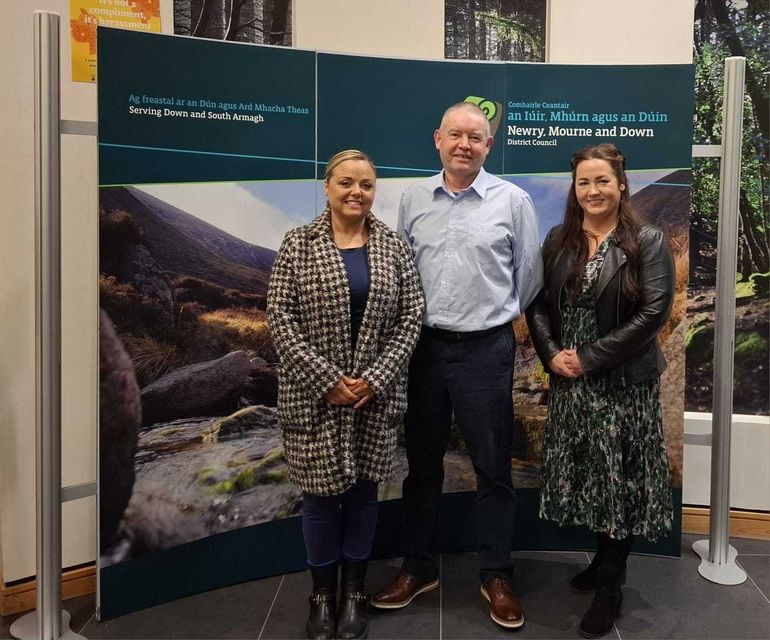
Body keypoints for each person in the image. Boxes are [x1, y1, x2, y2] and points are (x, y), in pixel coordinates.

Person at [371, 102, 543, 630]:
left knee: (492, 468)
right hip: (422, 349)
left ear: (488, 146)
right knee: (421, 466)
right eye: (455, 135)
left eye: (476, 137)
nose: (465, 144)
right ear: (437, 140)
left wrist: (492, 318)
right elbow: (400, 267)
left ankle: (495, 574)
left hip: (485, 350)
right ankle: (418, 567)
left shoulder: (512, 201)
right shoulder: (413, 198)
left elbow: (530, 276)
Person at [267, 149, 424, 640]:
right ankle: (321, 595)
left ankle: (354, 590)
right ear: (327, 187)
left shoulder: (393, 246)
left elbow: (411, 316)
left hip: (374, 399)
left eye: (367, 184)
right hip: (312, 400)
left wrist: (374, 379)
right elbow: (280, 318)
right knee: (318, 499)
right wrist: (327, 381)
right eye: (347, 183)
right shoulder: (298, 243)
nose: (357, 192)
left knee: (363, 497)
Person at [525, 143, 675, 639]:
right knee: (592, 475)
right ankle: (601, 563)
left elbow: (652, 313)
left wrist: (587, 357)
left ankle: (611, 584)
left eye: (602, 181)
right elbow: (539, 306)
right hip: (570, 380)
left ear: (621, 184)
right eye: (584, 182)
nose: (593, 190)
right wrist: (551, 355)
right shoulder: (558, 239)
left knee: (618, 479)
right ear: (576, 188)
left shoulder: (647, 240)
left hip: (621, 383)